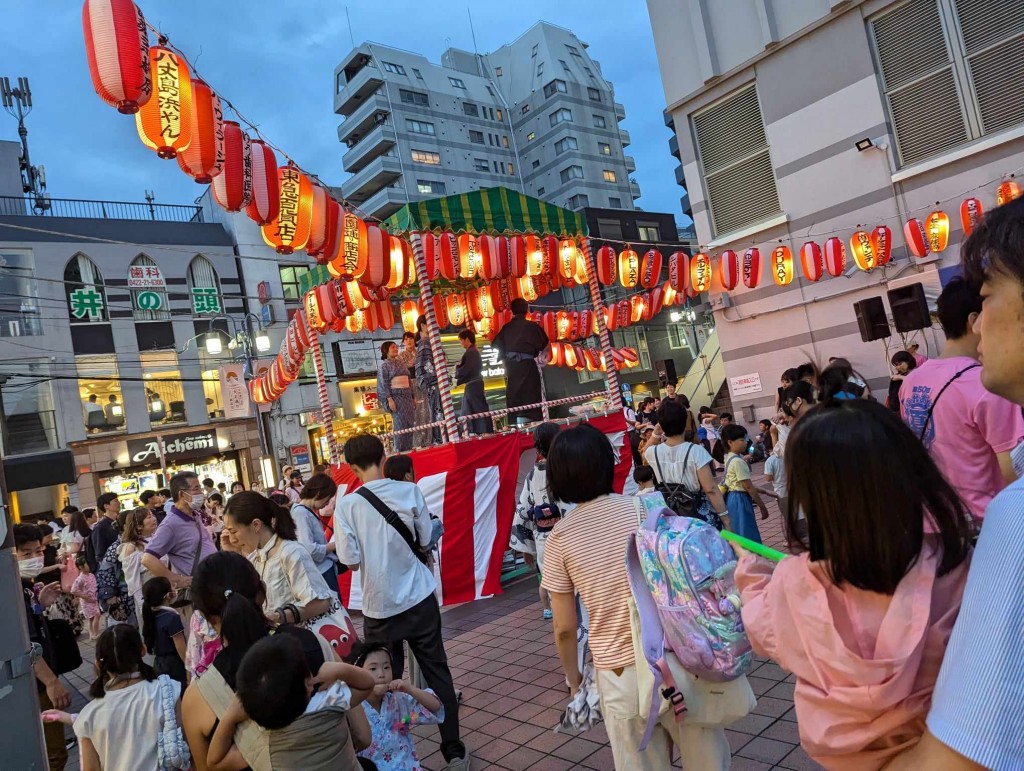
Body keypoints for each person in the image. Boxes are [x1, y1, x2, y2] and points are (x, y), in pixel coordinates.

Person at [735, 400, 974, 770]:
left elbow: (763, 631)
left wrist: (748, 570)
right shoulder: (958, 563)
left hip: (846, 758)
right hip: (945, 749)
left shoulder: (796, 580)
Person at [885, 195, 1024, 770]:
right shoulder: (978, 388)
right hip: (980, 530)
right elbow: (1004, 466)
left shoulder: (914, 382)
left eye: (990, 293)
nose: (983, 315)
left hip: (936, 541)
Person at [541, 424, 731, 769]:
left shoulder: (559, 539)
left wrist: (574, 681)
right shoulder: (643, 508)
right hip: (675, 659)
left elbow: (565, 628)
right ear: (607, 463)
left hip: (618, 673)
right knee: (707, 761)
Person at [335, 434, 468, 770]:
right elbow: (425, 539)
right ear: (384, 457)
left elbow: (349, 561)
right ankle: (453, 752)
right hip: (419, 598)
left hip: (379, 607)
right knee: (438, 672)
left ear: (352, 468)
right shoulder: (409, 491)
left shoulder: (348, 505)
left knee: (379, 681)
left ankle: (386, 752)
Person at [181, 552, 337, 771]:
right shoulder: (316, 645)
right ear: (262, 592)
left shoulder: (198, 698)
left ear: (206, 618)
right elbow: (362, 736)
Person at [899, 276, 1024, 523]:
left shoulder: (910, 382)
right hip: (987, 522)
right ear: (973, 321)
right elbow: (1013, 470)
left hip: (936, 522)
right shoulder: (989, 383)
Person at [222, 491, 358, 660]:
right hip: (289, 648)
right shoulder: (258, 557)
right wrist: (232, 553)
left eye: (233, 531)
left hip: (309, 648)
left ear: (256, 525)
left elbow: (321, 602)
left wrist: (279, 616)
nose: (231, 538)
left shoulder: (291, 552)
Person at [208, 634, 373, 771]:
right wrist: (338, 670)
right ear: (308, 684)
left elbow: (215, 762)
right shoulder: (329, 700)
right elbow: (367, 684)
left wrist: (231, 715)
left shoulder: (261, 741)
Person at [46, 625, 187, 771]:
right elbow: (181, 742)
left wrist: (76, 719)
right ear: (143, 650)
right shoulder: (167, 690)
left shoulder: (89, 716)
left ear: (98, 663)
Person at [16, 524, 72, 771]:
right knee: (53, 755)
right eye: (26, 554)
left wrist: (39, 605)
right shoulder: (10, 590)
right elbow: (21, 640)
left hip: (37, 680)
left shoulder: (25, 585)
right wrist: (50, 682)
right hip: (35, 683)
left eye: (38, 551)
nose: (36, 558)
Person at [351, 641, 444, 771]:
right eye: (373, 669)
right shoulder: (354, 709)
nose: (381, 674)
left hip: (406, 766)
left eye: (386, 667)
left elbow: (435, 707)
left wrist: (409, 689)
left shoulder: (397, 701)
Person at [509, 422, 567, 621]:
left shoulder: (533, 476)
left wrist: (526, 548)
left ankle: (560, 617)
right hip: (572, 532)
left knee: (553, 584)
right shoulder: (569, 468)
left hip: (544, 538)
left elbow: (523, 509)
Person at [644, 399, 731, 530]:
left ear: (661, 425)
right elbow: (710, 489)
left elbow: (645, 450)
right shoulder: (696, 451)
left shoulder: (654, 452)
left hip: (671, 517)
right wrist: (726, 519)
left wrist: (656, 432)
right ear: (685, 422)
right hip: (696, 514)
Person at [142, 471, 218, 596]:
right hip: (202, 589)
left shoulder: (195, 514)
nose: (201, 493)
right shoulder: (170, 524)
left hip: (214, 583)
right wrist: (177, 580)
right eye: (196, 489)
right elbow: (148, 559)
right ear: (182, 494)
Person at [491, 297, 549, 424]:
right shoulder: (532, 326)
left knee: (514, 394)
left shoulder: (506, 328)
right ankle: (534, 422)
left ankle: (514, 424)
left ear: (512, 311)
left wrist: (504, 355)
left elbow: (495, 344)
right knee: (531, 394)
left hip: (512, 366)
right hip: (528, 365)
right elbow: (545, 343)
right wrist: (542, 355)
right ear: (527, 310)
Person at [720, 423, 774, 544]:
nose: (746, 442)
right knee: (747, 532)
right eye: (742, 439)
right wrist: (762, 507)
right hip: (740, 499)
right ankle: (751, 559)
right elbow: (748, 486)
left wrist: (766, 491)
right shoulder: (739, 462)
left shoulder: (728, 457)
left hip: (731, 498)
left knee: (738, 530)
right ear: (730, 442)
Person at [292, 473, 342, 595]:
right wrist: (336, 544)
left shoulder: (304, 511)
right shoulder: (301, 513)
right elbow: (309, 549)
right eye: (328, 498)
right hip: (322, 572)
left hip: (322, 569)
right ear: (319, 494)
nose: (327, 503)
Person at [142, 576, 187, 688]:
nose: (174, 589)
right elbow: (181, 649)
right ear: (167, 596)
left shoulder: (151, 615)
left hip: (159, 664)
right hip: (175, 665)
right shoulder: (172, 617)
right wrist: (189, 668)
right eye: (171, 586)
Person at [120, 506, 159, 626]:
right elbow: (132, 580)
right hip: (147, 593)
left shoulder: (157, 538)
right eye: (149, 517)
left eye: (153, 515)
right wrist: (142, 602)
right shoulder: (131, 548)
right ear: (139, 526)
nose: (153, 519)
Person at [378, 340, 416, 452]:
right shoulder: (384, 366)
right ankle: (400, 449)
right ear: (386, 350)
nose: (396, 349)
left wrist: (413, 397)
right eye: (393, 347)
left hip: (407, 397)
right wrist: (389, 399)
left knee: (410, 422)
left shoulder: (401, 363)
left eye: (396, 347)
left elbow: (409, 380)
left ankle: (409, 448)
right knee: (400, 424)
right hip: (396, 398)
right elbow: (383, 384)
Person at [455, 329, 492, 436]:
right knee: (473, 407)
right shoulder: (473, 352)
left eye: (461, 340)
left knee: (475, 407)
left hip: (473, 384)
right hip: (475, 383)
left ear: (466, 339)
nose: (460, 343)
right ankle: (480, 431)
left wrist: (457, 368)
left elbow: (465, 369)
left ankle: (482, 431)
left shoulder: (471, 353)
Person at [399, 330, 432, 449]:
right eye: (406, 339)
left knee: (426, 411)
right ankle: (415, 442)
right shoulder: (401, 356)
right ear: (403, 342)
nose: (409, 341)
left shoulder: (420, 351)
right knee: (414, 414)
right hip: (409, 385)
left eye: (411, 338)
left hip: (423, 384)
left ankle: (428, 439)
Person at [414, 315, 443, 445]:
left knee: (437, 414)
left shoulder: (426, 343)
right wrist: (439, 374)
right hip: (433, 384)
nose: (435, 327)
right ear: (423, 326)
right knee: (437, 414)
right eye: (432, 324)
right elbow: (421, 368)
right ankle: (438, 440)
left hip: (434, 383)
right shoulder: (425, 343)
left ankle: (438, 439)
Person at [71, 554, 101, 639]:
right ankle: (95, 633)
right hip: (87, 601)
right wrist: (84, 597)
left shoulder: (91, 575)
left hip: (93, 599)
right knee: (96, 615)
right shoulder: (80, 579)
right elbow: (73, 590)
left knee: (92, 618)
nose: (89, 566)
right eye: (86, 564)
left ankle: (92, 634)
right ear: (80, 567)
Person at [90, 492, 122, 571]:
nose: (119, 503)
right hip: (114, 568)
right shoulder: (100, 527)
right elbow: (100, 554)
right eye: (115, 501)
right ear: (106, 506)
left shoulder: (121, 521)